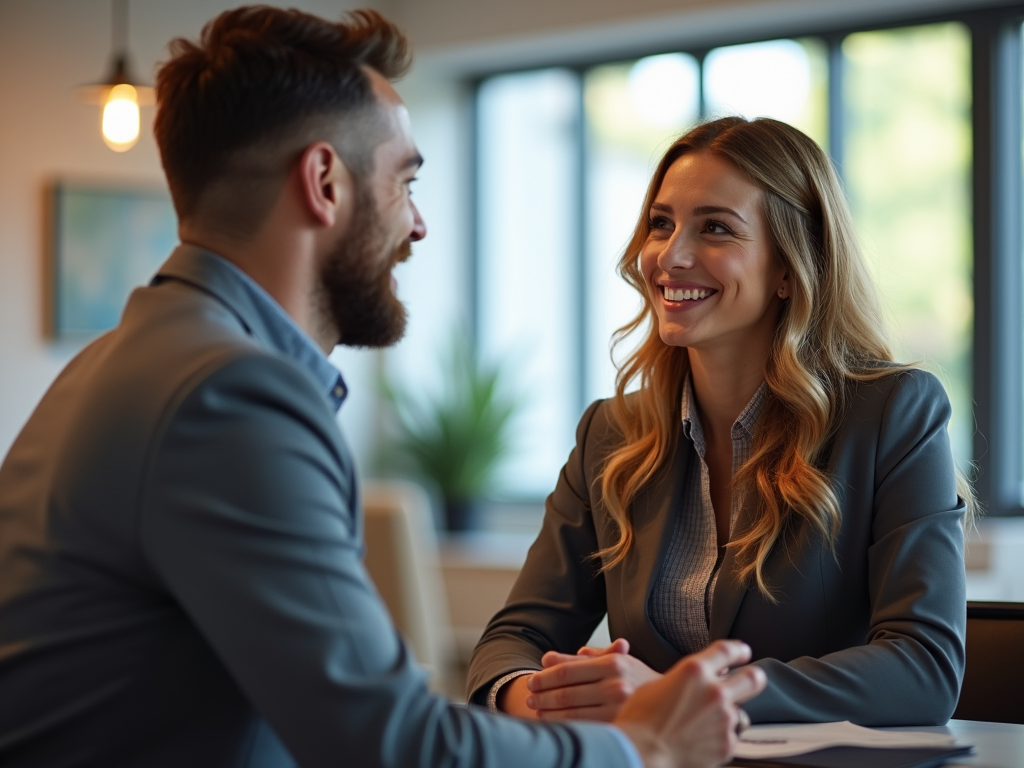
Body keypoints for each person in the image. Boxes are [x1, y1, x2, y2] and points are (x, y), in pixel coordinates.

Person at [0, 7, 767, 768]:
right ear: (324, 182)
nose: (420, 224)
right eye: (405, 182)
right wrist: (642, 746)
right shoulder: (227, 394)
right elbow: (391, 744)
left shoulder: (125, 359)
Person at [467, 116, 974, 727]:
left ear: (790, 268)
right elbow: (515, 637)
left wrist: (683, 698)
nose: (669, 256)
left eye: (716, 228)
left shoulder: (895, 412)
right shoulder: (611, 433)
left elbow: (924, 668)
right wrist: (542, 695)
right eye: (661, 224)